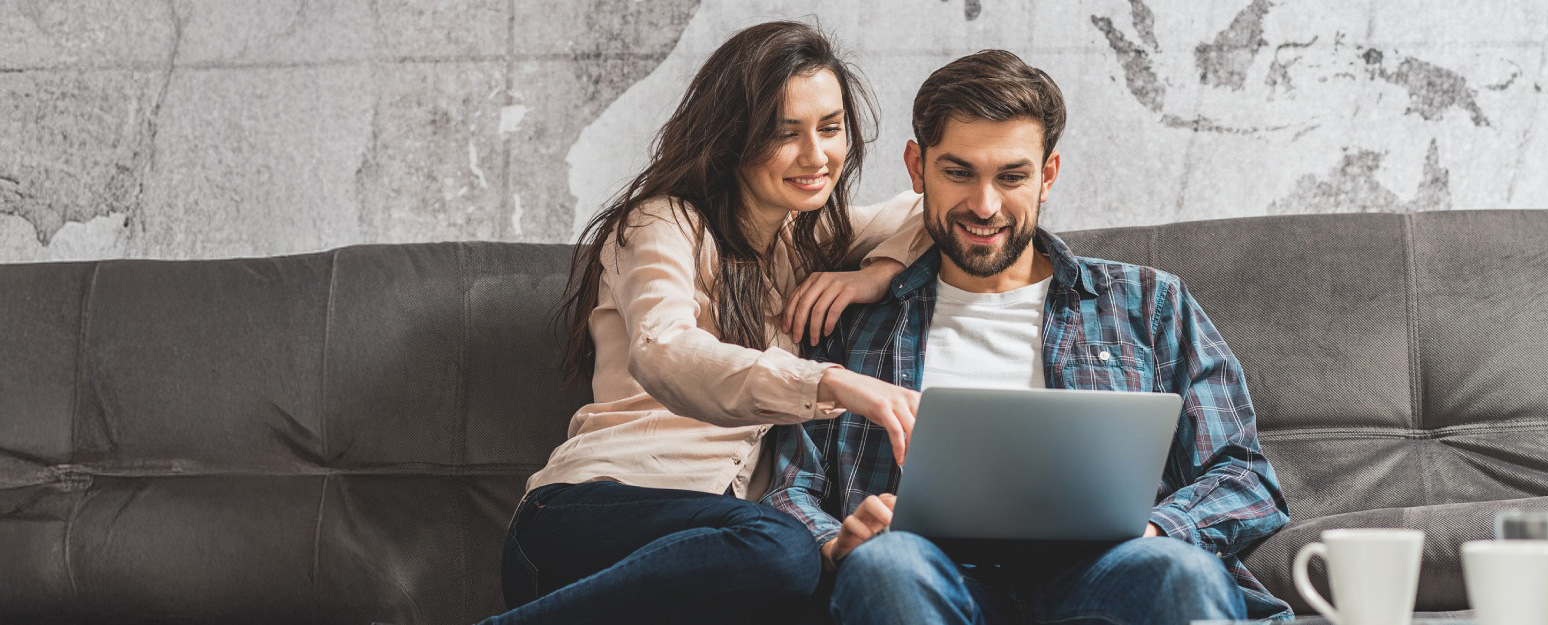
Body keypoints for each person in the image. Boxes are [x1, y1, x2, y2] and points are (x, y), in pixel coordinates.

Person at [765, 49, 1293, 624]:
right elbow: (790, 487)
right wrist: (836, 541)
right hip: (928, 575)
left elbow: (1244, 476)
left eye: (1012, 176)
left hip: (1106, 572)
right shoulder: (851, 323)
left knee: (1180, 569)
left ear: (1048, 175)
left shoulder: (1148, 303)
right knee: (887, 565)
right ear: (917, 168)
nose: (984, 206)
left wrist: (1156, 528)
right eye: (958, 172)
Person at [481, 21, 928, 625]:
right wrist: (829, 383)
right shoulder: (663, 223)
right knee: (783, 549)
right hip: (583, 518)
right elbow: (664, 349)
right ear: (733, 136)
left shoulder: (811, 237)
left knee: (805, 564)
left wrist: (874, 273)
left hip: (714, 553)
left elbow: (940, 208)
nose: (816, 156)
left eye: (830, 128)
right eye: (784, 133)